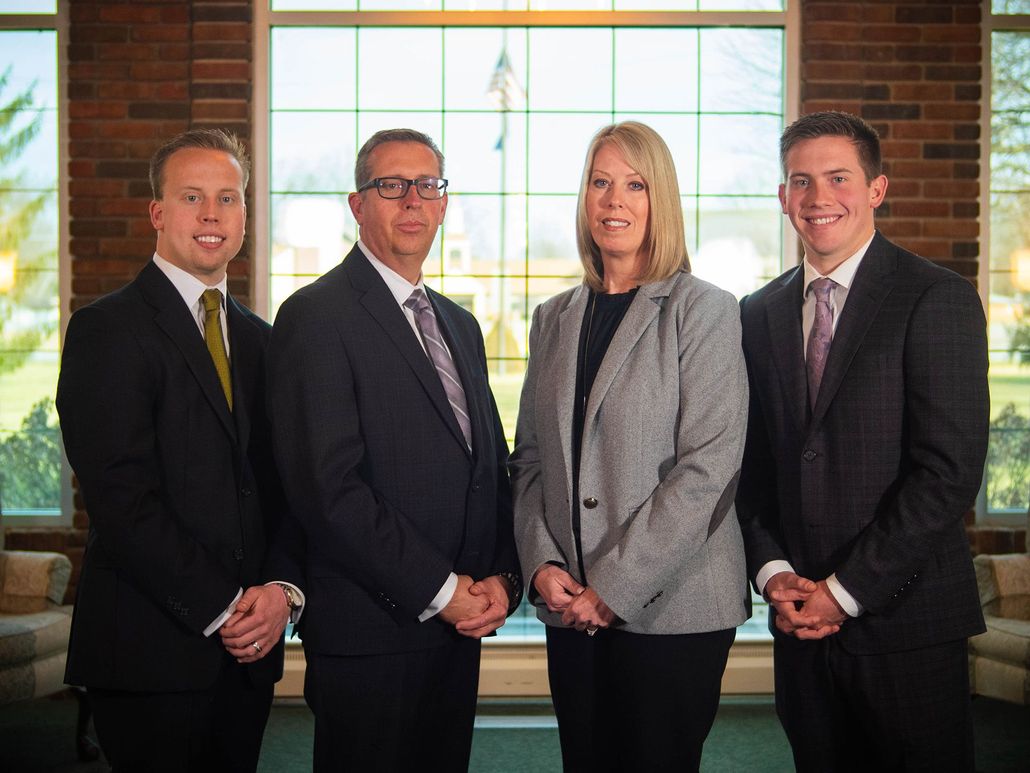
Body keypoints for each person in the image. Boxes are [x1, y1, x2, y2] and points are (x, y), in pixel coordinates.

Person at [736, 111, 989, 772]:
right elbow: (751, 466)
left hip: (906, 626)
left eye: (838, 177)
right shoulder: (757, 313)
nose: (820, 197)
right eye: (802, 181)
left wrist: (843, 590)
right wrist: (773, 575)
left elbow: (948, 472)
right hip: (799, 631)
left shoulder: (936, 297)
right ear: (784, 196)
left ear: (877, 188)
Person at [266, 128, 522, 772]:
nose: (412, 199)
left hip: (457, 628)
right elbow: (329, 492)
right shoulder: (315, 315)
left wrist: (502, 579)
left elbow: (488, 467)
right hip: (371, 633)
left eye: (427, 185)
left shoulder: (457, 324)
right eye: (391, 185)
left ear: (442, 203)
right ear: (358, 205)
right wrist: (442, 590)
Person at [56, 129, 304, 772]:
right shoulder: (106, 330)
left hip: (248, 651)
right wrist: (223, 607)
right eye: (192, 197)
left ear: (246, 215)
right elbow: (119, 498)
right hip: (149, 650)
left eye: (228, 198)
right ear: (158, 214)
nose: (212, 214)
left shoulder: (261, 340)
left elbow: (283, 486)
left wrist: (279, 589)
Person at [509, 121, 751, 772]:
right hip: (571, 608)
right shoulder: (553, 317)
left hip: (674, 609)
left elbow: (710, 467)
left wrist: (614, 586)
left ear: (660, 199)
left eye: (635, 184)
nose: (615, 201)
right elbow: (530, 458)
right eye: (601, 182)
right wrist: (540, 563)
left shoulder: (705, 310)